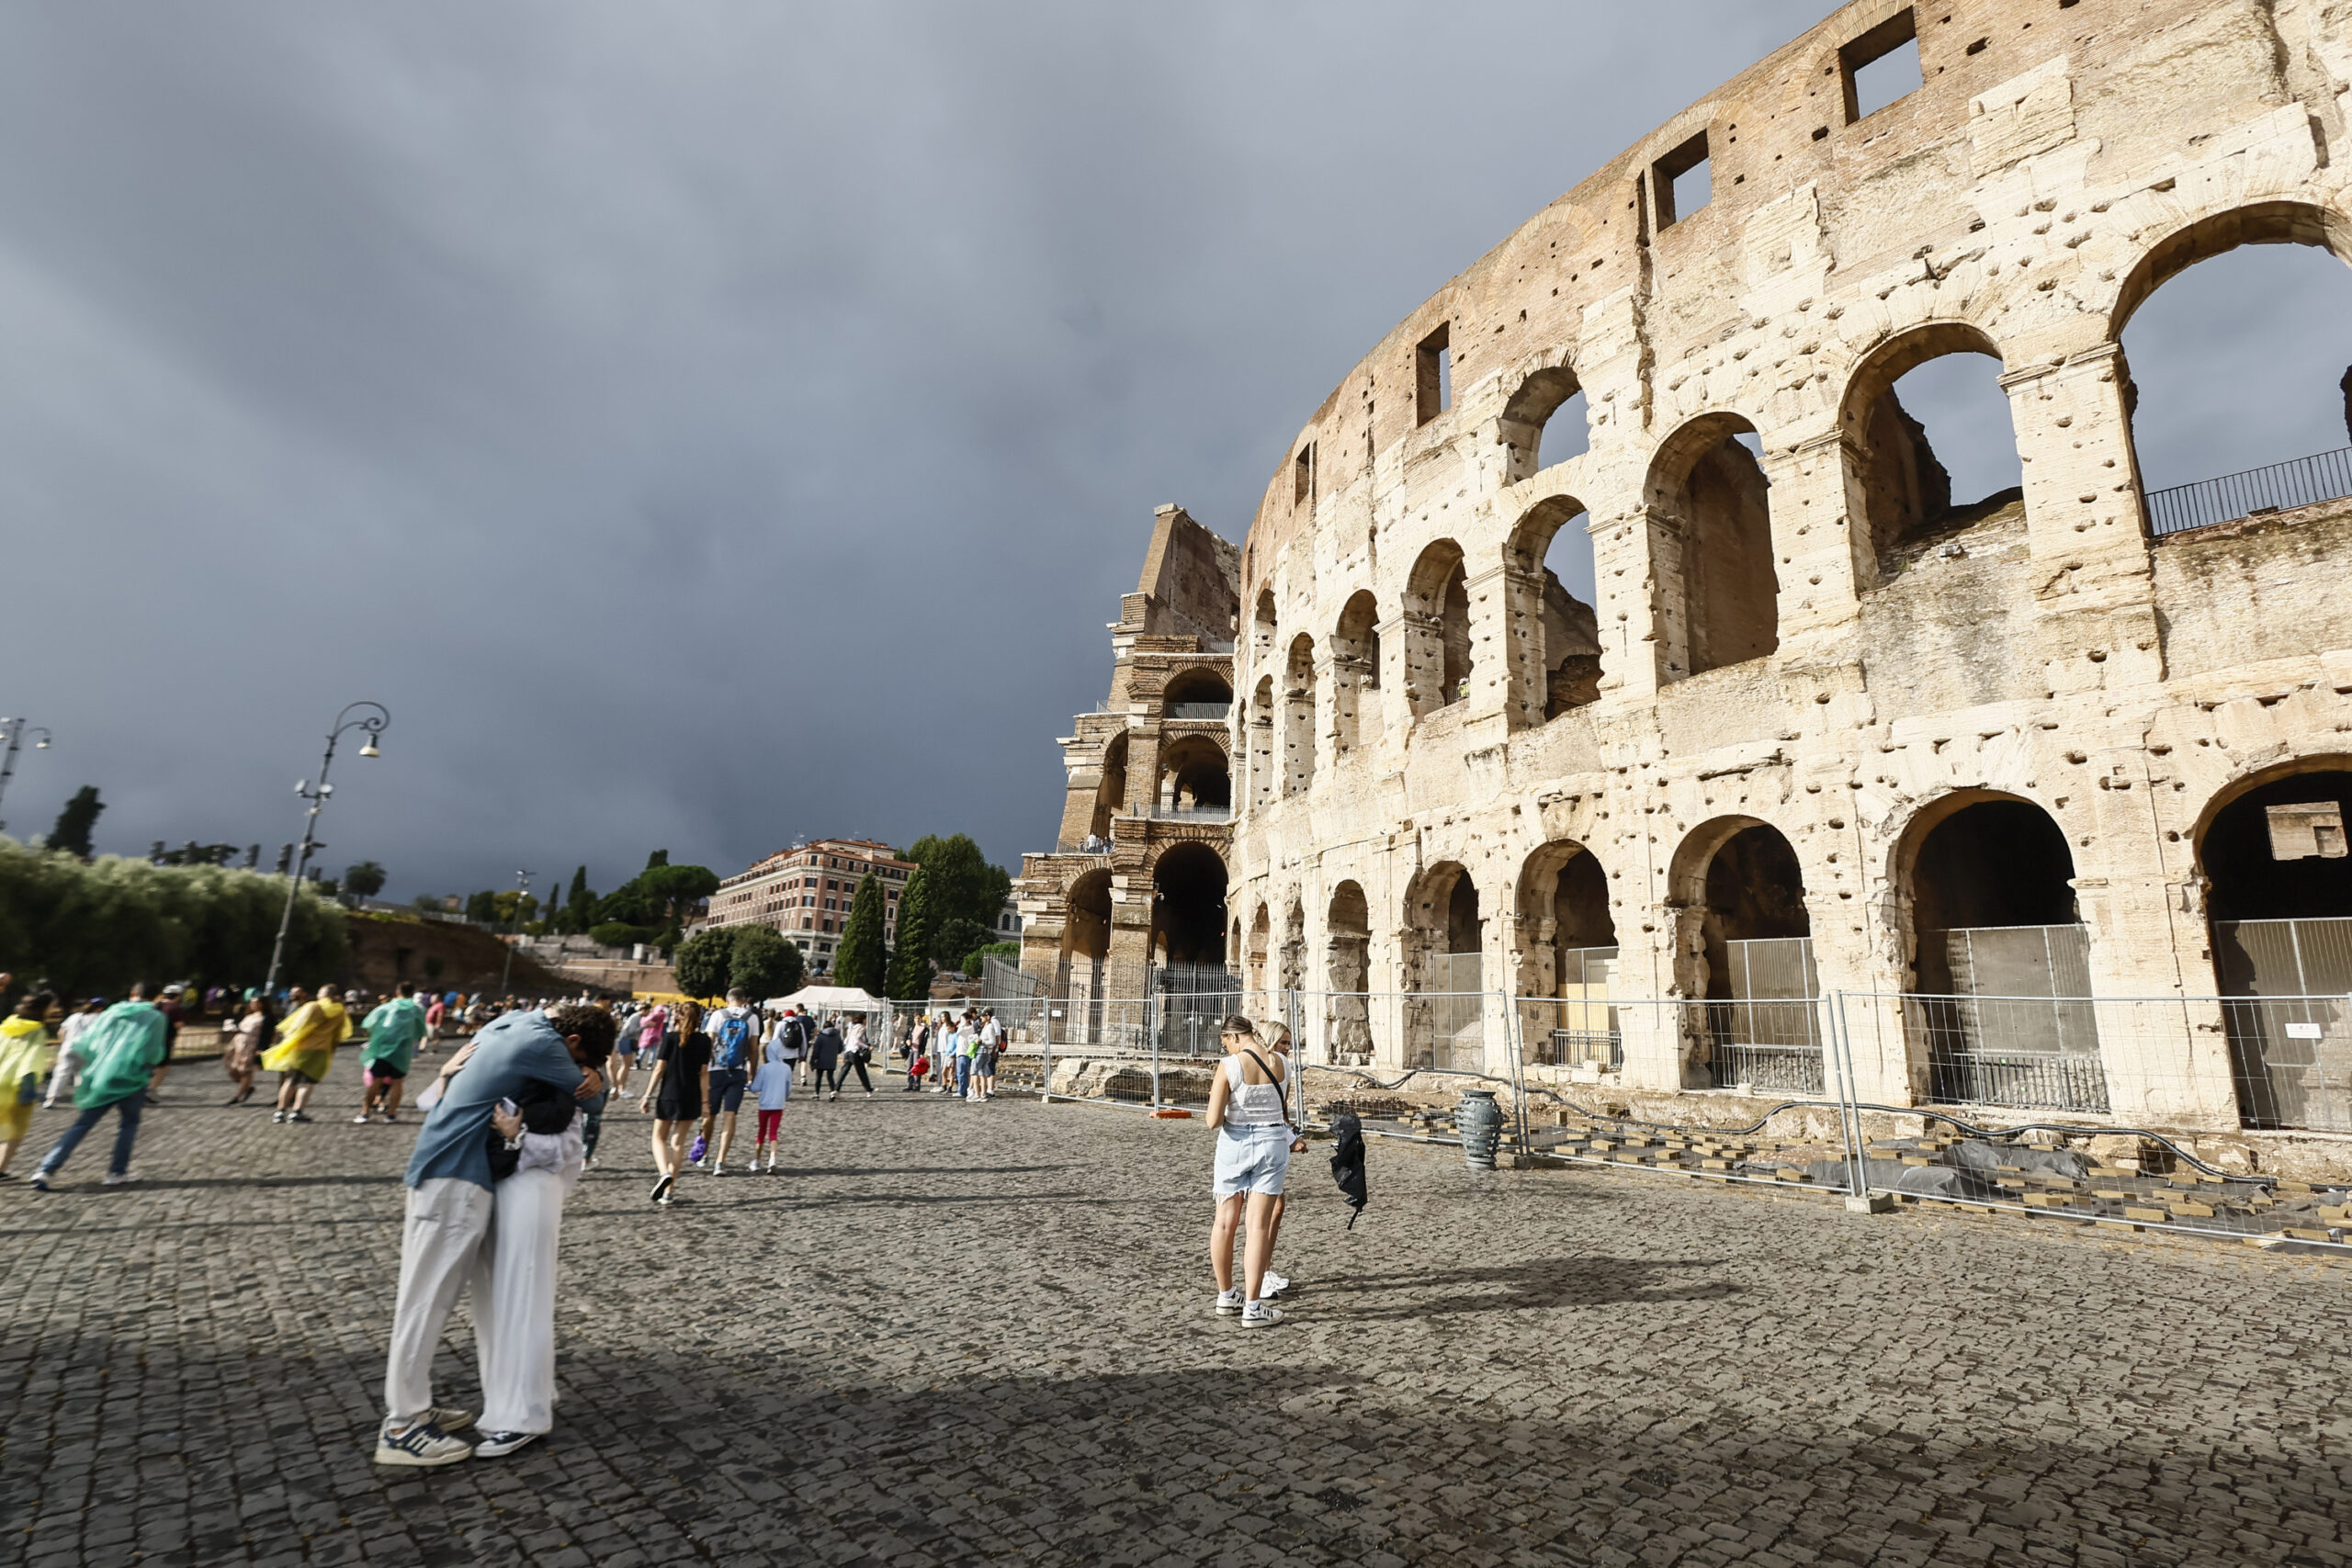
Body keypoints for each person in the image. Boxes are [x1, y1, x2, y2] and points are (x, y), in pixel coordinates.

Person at [374, 1003, 613, 1466]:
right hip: (455, 1176)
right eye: (580, 1059)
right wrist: (595, 1080)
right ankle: (402, 1424)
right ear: (574, 1045)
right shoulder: (544, 1044)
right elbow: (591, 1099)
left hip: (449, 1169)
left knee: (428, 1296)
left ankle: (414, 1405)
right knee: (426, 1300)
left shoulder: (513, 1022)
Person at [1204, 1016, 1304, 1327]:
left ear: (1232, 1037)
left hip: (1235, 1144)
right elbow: (1281, 1108)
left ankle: (1225, 1294)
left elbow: (1212, 1121)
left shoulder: (1230, 1065)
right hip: (1272, 1143)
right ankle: (1252, 1305)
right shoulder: (1283, 1064)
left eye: (1226, 1043)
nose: (1227, 1048)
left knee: (1224, 1223)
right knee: (1257, 1226)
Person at [28, 993, 171, 1191]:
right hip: (133, 1077)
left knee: (82, 1124)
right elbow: (154, 1051)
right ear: (157, 996)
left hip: (103, 1074)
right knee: (128, 1124)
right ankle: (117, 1172)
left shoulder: (112, 1012)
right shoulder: (155, 1017)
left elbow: (90, 1040)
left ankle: (46, 1169)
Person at [638, 1002, 707, 1204]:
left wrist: (647, 1095)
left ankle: (663, 1173)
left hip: (669, 1094)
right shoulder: (704, 1041)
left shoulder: (670, 1038)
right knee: (678, 1143)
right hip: (692, 1096)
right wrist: (705, 1102)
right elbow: (704, 1074)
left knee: (659, 1138)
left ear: (677, 1016)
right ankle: (668, 1192)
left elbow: (659, 1070)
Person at [263, 983, 352, 1123]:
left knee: (291, 1080)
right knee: (308, 1083)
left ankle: (280, 1112)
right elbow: (339, 1034)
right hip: (322, 1050)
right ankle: (297, 1112)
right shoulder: (340, 1011)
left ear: (322, 994)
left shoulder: (313, 1007)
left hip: (301, 1048)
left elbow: (296, 1027)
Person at [699, 988, 761, 1175]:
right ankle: (721, 1161)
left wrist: (704, 1069)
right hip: (738, 1071)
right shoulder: (752, 1017)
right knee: (730, 1115)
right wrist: (752, 1072)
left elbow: (709, 1042)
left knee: (709, 1115)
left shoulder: (718, 1014)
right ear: (743, 1000)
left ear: (727, 1000)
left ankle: (704, 1153)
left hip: (716, 1069)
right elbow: (753, 1048)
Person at [0, 991, 59, 1180]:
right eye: (52, 1006)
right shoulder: (37, 1031)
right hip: (16, 1084)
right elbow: (31, 1061)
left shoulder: (7, 1026)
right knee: (15, 1129)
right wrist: (29, 1090)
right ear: (44, 1008)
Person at [357, 983, 430, 1123]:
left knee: (376, 1081)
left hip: (383, 1049)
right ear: (412, 993)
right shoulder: (416, 1010)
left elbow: (368, 1023)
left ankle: (365, 1112)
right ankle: (391, 1114)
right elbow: (421, 1030)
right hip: (402, 1051)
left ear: (397, 992)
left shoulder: (387, 1007)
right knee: (397, 1083)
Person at [45, 998, 101, 1108]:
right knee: (83, 1073)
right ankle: (83, 1098)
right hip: (85, 1049)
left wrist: (64, 1044)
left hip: (67, 1047)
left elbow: (61, 1031)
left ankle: (50, 1098)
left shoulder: (74, 1017)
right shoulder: (98, 1018)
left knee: (61, 1073)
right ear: (100, 1008)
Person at [750, 1033, 792, 1172]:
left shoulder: (765, 1068)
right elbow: (788, 1089)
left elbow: (756, 1088)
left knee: (761, 1132)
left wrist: (749, 1086)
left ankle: (757, 1160)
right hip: (779, 1105)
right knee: (773, 1133)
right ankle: (772, 1159)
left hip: (765, 1104)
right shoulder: (786, 1068)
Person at [223, 994, 271, 1104]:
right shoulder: (249, 1015)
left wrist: (261, 1048)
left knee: (245, 1070)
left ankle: (239, 1095)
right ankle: (247, 1087)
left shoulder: (266, 1017)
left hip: (251, 1046)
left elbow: (267, 1035)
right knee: (233, 1069)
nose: (253, 1005)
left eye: (256, 1003)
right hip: (239, 1044)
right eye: (252, 1003)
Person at [809, 1014, 845, 1100]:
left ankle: (817, 1094)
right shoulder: (837, 1036)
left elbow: (816, 1050)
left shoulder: (821, 1036)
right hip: (832, 1059)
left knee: (819, 1077)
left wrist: (812, 1060)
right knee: (830, 1077)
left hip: (821, 1059)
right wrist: (835, 1052)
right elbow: (841, 1048)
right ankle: (832, 1093)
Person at [837, 1016, 875, 1096]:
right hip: (855, 1052)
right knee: (861, 1072)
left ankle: (836, 1089)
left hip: (848, 1052)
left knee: (843, 1072)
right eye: (866, 1019)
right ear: (863, 1020)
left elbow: (846, 1040)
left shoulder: (852, 1028)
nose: (867, 1021)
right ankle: (868, 1090)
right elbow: (857, 1041)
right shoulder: (862, 1028)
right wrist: (867, 1047)